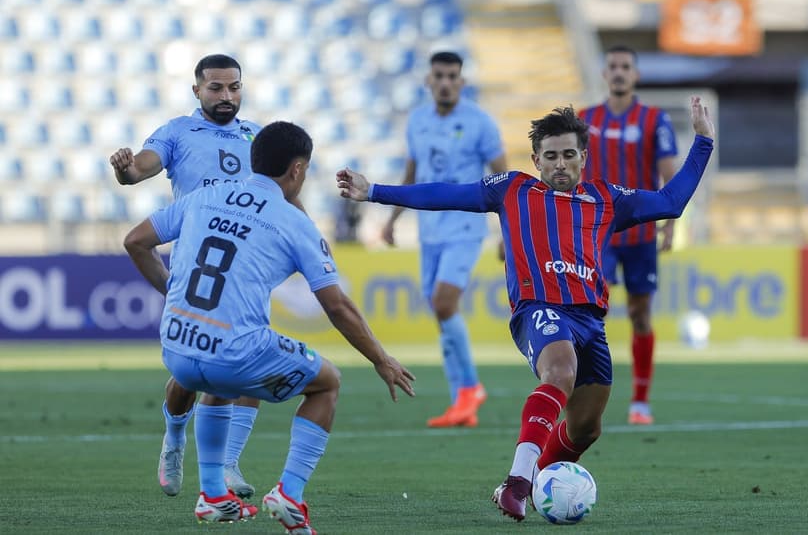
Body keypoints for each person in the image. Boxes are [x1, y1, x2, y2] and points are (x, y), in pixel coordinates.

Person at [337, 96, 714, 521]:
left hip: (590, 319)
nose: (559, 164)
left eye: (568, 155)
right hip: (539, 309)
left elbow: (670, 203)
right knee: (560, 370)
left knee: (587, 427)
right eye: (550, 156)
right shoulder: (513, 190)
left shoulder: (607, 199)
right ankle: (517, 483)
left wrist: (702, 141)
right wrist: (375, 192)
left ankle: (533, 480)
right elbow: (447, 194)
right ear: (536, 159)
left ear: (583, 158)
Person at [124, 120, 416, 529]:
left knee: (220, 382)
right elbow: (338, 308)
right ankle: (289, 493)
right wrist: (381, 359)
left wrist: (174, 292)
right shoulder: (294, 222)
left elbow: (135, 240)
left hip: (176, 347)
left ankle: (212, 494)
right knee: (327, 382)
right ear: (297, 170)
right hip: (231, 351)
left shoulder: (205, 196)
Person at [109, 54, 276, 498]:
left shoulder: (257, 136)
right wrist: (125, 167)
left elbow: (279, 194)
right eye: (216, 88)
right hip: (195, 271)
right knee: (191, 376)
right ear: (197, 90)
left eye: (234, 87)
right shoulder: (178, 133)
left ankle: (229, 463)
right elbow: (138, 170)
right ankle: (175, 437)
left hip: (248, 269)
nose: (227, 96)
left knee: (249, 363)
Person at [381, 51, 508, 428]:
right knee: (440, 311)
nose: (446, 82)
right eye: (440, 75)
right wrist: (392, 218)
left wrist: (507, 231)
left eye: (453, 76)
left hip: (466, 228)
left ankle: (470, 387)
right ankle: (461, 402)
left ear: (462, 81)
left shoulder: (480, 123)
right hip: (429, 230)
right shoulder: (417, 121)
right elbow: (412, 174)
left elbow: (504, 180)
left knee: (444, 301)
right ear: (428, 81)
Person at [579, 46, 680, 425]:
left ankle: (640, 401)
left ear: (635, 75)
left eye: (626, 67)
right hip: (596, 232)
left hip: (639, 233)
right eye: (613, 67)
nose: (619, 73)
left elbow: (669, 175)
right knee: (589, 309)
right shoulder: (584, 119)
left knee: (640, 313)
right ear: (604, 74)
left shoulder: (654, 119)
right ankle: (583, 392)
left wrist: (670, 224)